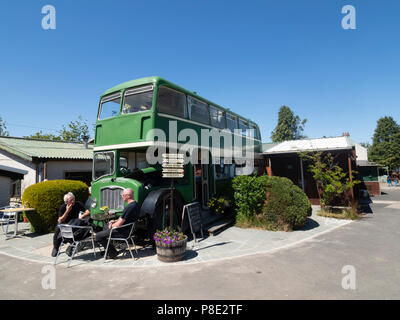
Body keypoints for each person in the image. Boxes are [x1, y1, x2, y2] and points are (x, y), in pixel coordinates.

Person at [95, 188, 140, 259]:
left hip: (122, 232)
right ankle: (109, 250)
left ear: (128, 196)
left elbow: (119, 224)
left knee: (98, 236)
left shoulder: (129, 207)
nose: (122, 197)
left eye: (123, 195)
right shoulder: (135, 204)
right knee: (105, 228)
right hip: (127, 229)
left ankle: (112, 252)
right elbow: (125, 219)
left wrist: (111, 225)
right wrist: (114, 221)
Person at [51, 192, 91, 257]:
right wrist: (67, 211)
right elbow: (60, 220)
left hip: (74, 222)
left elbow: (88, 211)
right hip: (64, 223)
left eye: (73, 199)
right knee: (58, 229)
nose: (73, 201)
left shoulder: (78, 204)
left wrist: (83, 215)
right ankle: (56, 248)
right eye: (71, 200)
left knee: (82, 229)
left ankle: (71, 246)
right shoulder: (63, 207)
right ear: (66, 202)